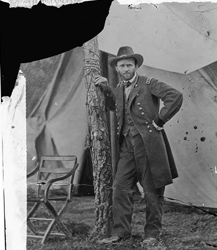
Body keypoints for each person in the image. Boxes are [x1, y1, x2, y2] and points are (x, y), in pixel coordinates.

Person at [95, 46, 183, 247]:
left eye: (129, 65)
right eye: (122, 65)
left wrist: (160, 120)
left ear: (135, 66)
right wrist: (107, 88)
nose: (125, 68)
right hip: (127, 147)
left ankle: (152, 234)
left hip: (148, 146)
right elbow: (114, 107)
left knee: (152, 191)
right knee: (120, 187)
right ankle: (120, 232)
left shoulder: (149, 83)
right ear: (117, 68)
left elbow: (175, 96)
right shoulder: (118, 89)